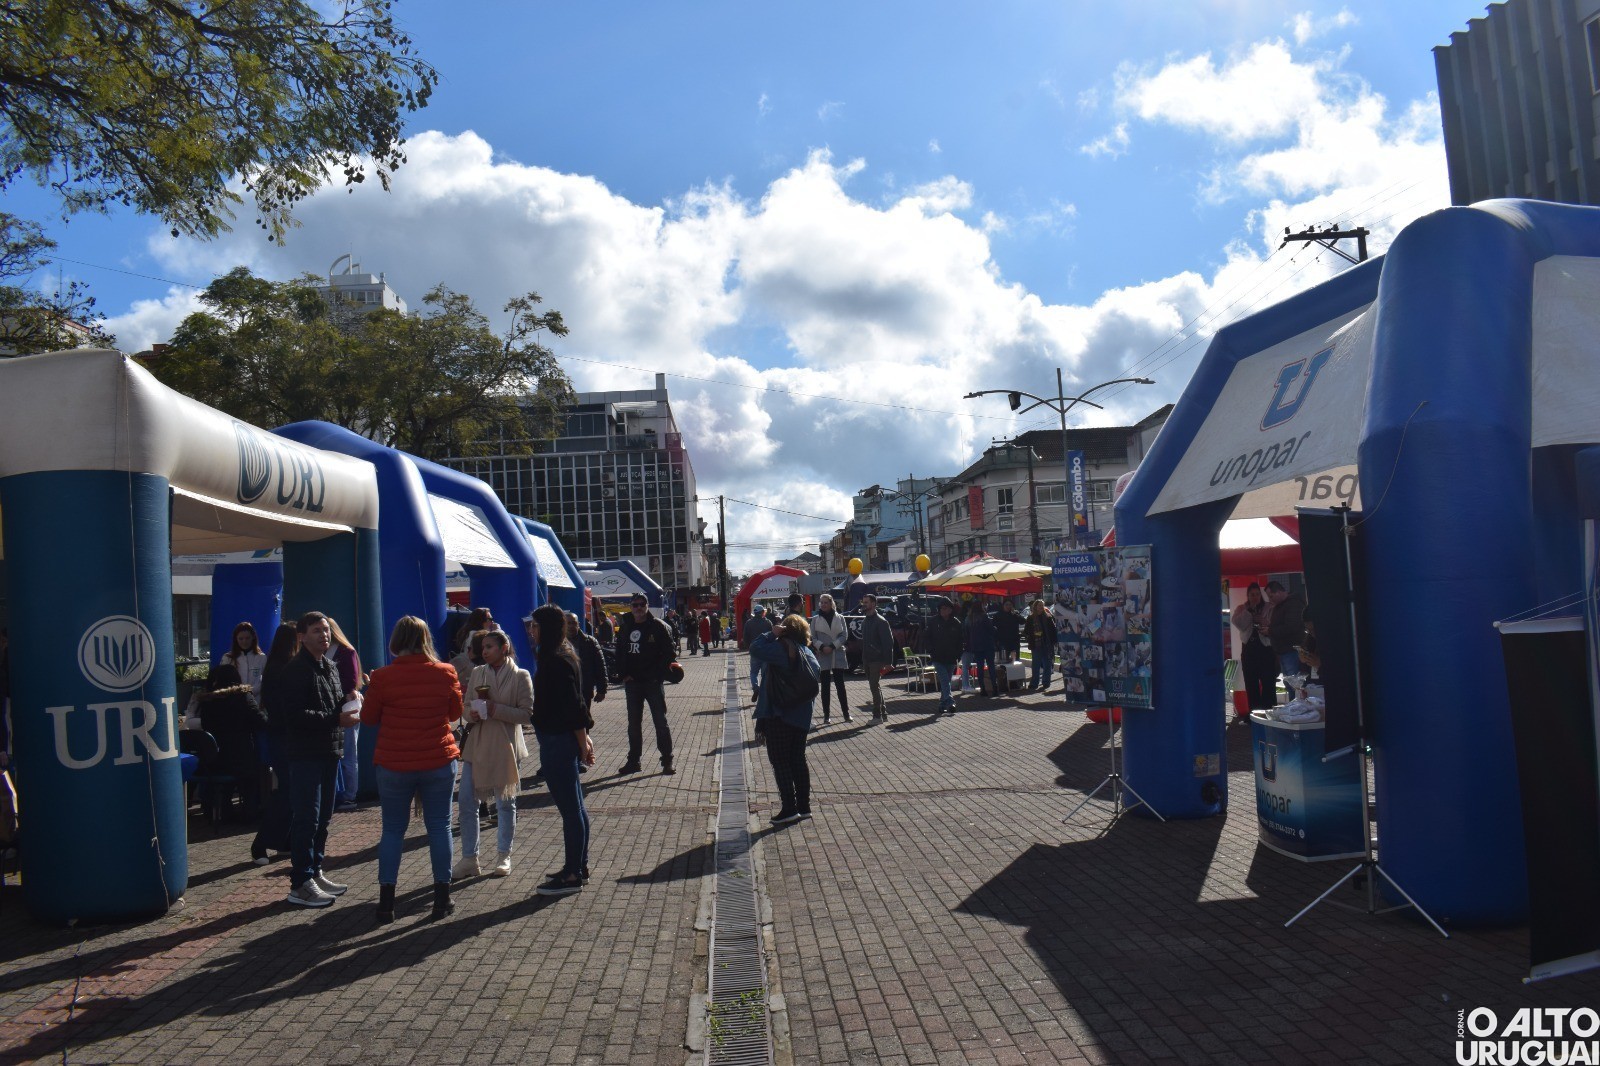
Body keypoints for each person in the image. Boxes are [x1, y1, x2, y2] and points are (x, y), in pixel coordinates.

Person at [362, 616, 462, 922]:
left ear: (396, 640)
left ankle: (386, 903)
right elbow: (455, 712)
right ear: (425, 639)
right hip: (437, 758)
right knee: (439, 826)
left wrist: (372, 690)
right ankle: (441, 898)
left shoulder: (381, 677)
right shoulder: (446, 672)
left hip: (394, 762)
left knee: (393, 830)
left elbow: (368, 718)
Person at [267, 612, 360, 908]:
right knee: (307, 817)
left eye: (327, 630)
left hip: (329, 750)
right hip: (305, 753)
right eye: (317, 631)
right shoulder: (295, 670)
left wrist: (351, 700)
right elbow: (294, 716)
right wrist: (336, 717)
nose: (325, 635)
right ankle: (300, 882)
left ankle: (315, 871)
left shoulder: (330, 666)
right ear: (302, 636)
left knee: (323, 817)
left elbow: (331, 705)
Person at [453, 628, 532, 879]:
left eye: (490, 647)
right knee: (466, 801)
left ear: (504, 648)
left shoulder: (521, 675)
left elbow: (526, 715)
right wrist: (472, 713)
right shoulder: (477, 673)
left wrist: (495, 709)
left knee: (505, 803)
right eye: (483, 647)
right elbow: (465, 708)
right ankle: (469, 858)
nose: (484, 651)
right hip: (478, 744)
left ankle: (503, 856)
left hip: (506, 746)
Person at [530, 604, 597, 896]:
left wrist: (583, 741)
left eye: (534, 625)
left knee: (570, 809)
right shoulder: (557, 655)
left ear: (546, 628)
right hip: (556, 737)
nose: (531, 630)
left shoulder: (558, 658)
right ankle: (577, 865)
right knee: (575, 807)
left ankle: (572, 873)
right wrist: (583, 738)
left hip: (559, 740)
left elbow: (573, 704)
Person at [750, 614, 820, 825]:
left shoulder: (783, 649)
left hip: (781, 714)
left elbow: (755, 648)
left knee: (780, 761)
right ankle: (804, 807)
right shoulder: (808, 652)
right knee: (797, 759)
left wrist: (771, 633)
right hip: (802, 715)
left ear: (786, 631)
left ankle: (789, 808)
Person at [250, 622, 300, 865]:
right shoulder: (283, 669)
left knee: (291, 790)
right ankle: (262, 842)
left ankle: (283, 840)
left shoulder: (275, 667)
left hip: (281, 735)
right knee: (288, 791)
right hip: (285, 736)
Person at [195, 660, 268, 819]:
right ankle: (250, 813)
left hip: (214, 760)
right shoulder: (243, 696)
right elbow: (260, 721)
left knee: (225, 784)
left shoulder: (207, 701)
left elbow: (205, 724)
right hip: (242, 757)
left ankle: (222, 812)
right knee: (251, 780)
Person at [615, 592, 678, 775]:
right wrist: (623, 674)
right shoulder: (626, 626)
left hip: (652, 683)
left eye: (642, 604)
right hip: (632, 684)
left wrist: (658, 674)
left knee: (660, 722)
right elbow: (620, 651)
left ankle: (667, 760)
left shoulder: (657, 626)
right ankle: (634, 761)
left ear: (647, 605)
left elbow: (669, 653)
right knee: (633, 724)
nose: (639, 608)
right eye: (635, 605)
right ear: (631, 607)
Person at [326, 616, 364, 811]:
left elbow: (349, 682)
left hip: (345, 706)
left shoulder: (345, 651)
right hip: (337, 707)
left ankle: (349, 794)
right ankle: (342, 793)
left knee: (349, 753)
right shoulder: (339, 651)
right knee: (343, 754)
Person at [1231, 582, 1277, 709]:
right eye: (1252, 595)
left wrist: (1264, 621)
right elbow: (1239, 624)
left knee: (1268, 682)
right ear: (1248, 596)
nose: (1255, 597)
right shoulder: (1242, 608)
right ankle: (1254, 713)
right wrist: (1249, 613)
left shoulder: (1269, 607)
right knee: (1251, 683)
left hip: (1265, 648)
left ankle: (1269, 710)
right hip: (1249, 649)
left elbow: (1274, 623)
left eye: (1257, 594)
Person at [810, 594, 851, 725]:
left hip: (837, 654)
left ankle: (846, 713)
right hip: (823, 655)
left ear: (831, 603)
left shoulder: (840, 618)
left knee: (841, 686)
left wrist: (833, 646)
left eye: (825, 602)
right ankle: (826, 715)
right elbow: (812, 637)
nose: (823, 604)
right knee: (825, 687)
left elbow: (844, 635)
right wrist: (822, 647)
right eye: (821, 602)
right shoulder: (815, 619)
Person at [924, 598, 965, 714]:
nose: (943, 610)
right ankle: (951, 701)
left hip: (951, 657)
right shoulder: (933, 622)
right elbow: (926, 637)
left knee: (946, 680)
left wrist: (959, 653)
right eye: (941, 608)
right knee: (945, 679)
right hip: (938, 657)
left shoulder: (956, 623)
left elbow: (961, 640)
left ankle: (942, 704)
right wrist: (931, 650)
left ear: (951, 610)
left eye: (946, 608)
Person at [858, 593, 894, 721]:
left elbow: (888, 643)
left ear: (873, 604)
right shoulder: (865, 621)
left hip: (877, 659)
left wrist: (888, 662)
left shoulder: (881, 621)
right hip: (867, 659)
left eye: (866, 602)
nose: (864, 604)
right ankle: (883, 714)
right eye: (863, 602)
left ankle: (877, 715)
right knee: (875, 686)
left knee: (874, 686)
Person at [566, 611, 609, 716]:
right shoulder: (558, 643)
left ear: (578, 624)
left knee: (584, 722)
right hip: (564, 691)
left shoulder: (590, 642)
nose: (571, 626)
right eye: (568, 623)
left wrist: (602, 689)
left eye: (573, 623)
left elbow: (600, 667)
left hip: (584, 690)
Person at [1265, 581, 1308, 681]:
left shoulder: (1293, 603)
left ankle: (1296, 696)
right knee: (1290, 683)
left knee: (1294, 682)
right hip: (1285, 651)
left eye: (1271, 596)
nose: (1270, 599)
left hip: (1291, 650)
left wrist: (1270, 630)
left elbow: (1291, 627)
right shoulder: (1282, 605)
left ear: (1279, 592)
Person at [221, 622, 268, 701]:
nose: (244, 641)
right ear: (236, 639)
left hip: (255, 702)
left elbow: (265, 681)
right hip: (234, 703)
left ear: (253, 637)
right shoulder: (227, 658)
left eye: (247, 638)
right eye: (241, 639)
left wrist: (251, 691)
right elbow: (222, 681)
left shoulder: (262, 657)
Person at [964, 602, 999, 697]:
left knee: (980, 668)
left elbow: (966, 633)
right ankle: (994, 688)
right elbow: (991, 630)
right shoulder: (984, 617)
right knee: (991, 666)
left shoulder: (968, 619)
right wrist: (995, 628)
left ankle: (983, 689)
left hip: (976, 646)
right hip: (987, 645)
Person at [1024, 600, 1058, 692]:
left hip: (1047, 644)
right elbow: (1026, 631)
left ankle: (1046, 682)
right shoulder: (1030, 618)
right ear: (1035, 607)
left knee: (1047, 664)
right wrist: (1033, 634)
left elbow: (1053, 630)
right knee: (1036, 664)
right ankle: (1034, 683)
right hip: (1036, 644)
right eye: (1039, 605)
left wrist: (1054, 641)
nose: (1041, 607)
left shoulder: (1048, 617)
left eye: (1042, 605)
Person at [744, 604, 774, 705]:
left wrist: (749, 646)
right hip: (765, 651)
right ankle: (764, 695)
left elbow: (745, 637)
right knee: (765, 674)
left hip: (754, 651)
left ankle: (755, 688)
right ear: (762, 613)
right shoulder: (767, 622)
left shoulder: (749, 623)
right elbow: (773, 635)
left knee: (753, 673)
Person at [993, 600, 1023, 673]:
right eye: (1006, 605)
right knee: (1004, 661)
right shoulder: (998, 615)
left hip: (1014, 641)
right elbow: (993, 627)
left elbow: (1023, 621)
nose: (1008, 606)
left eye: (1010, 605)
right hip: (1003, 641)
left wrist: (1015, 614)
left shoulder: (1014, 614)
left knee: (1015, 661)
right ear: (1003, 606)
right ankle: (1004, 678)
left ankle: (1016, 678)